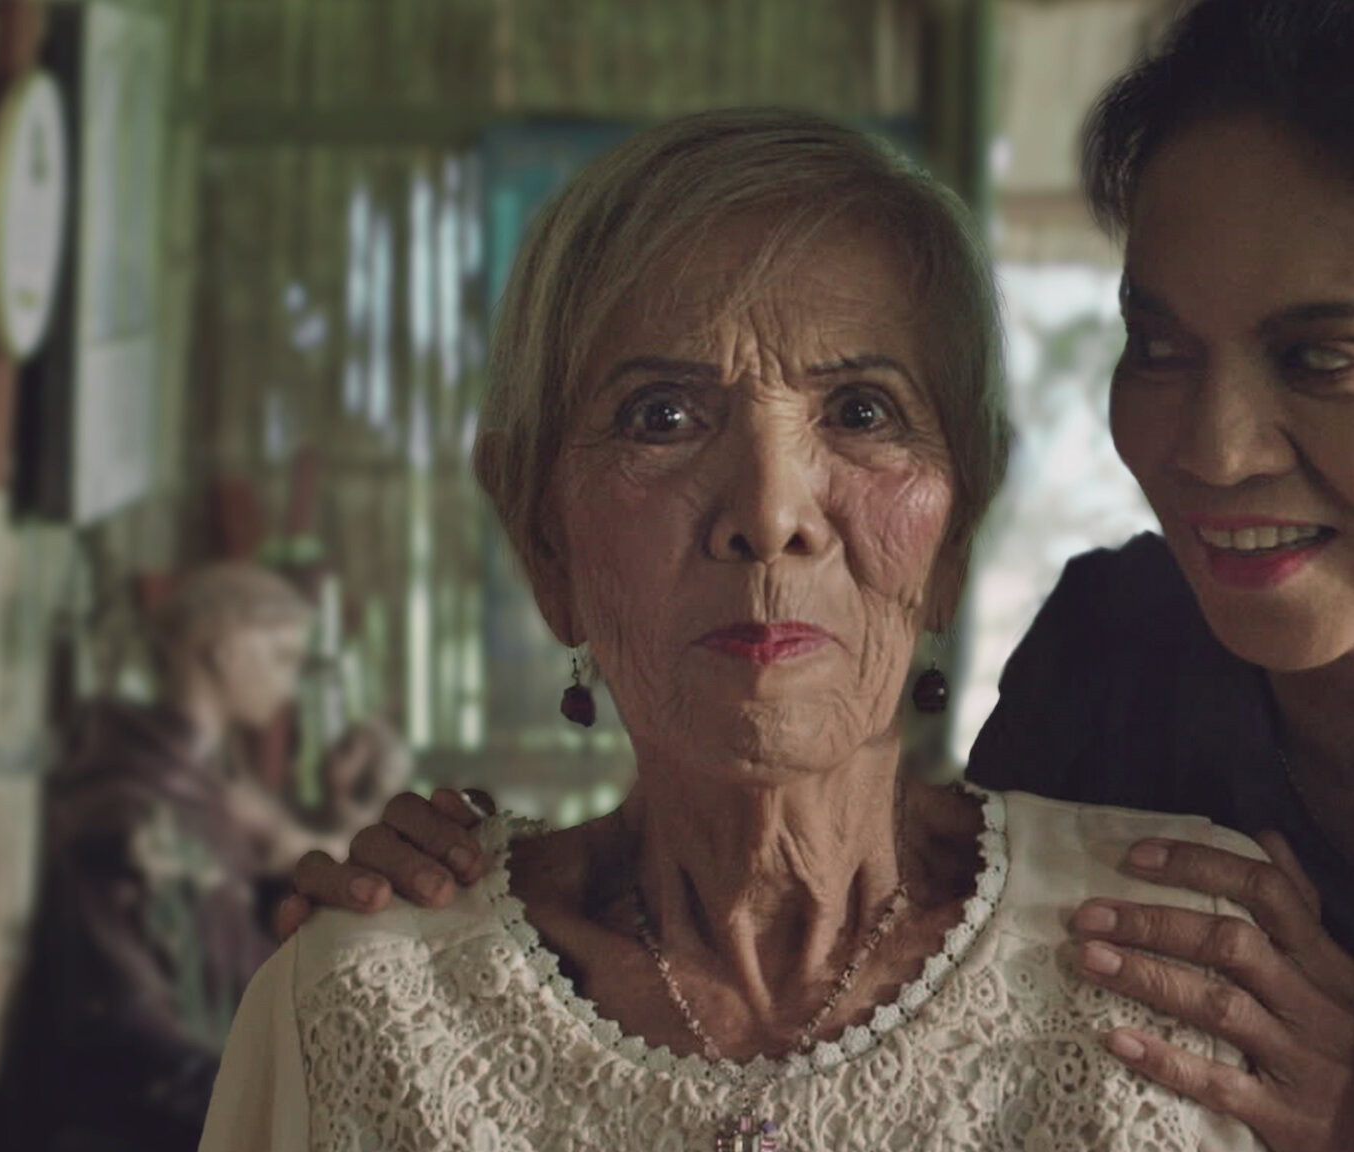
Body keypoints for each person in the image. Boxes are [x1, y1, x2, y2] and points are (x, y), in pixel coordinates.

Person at [281, 3, 1354, 1151]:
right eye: (1159, 345)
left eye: (1326, 356)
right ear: (538, 532)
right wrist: (456, 902)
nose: (1209, 446)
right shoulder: (1118, 661)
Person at [196, 107, 1266, 1151]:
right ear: (543, 541)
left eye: (860, 412)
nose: (769, 512)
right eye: (661, 417)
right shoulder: (366, 1012)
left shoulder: (1187, 960)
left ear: (954, 537)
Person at [0, 563, 395, 1151]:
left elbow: (235, 959)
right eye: (281, 657)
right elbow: (125, 1029)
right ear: (225, 651)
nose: (288, 687)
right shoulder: (132, 808)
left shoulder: (211, 798)